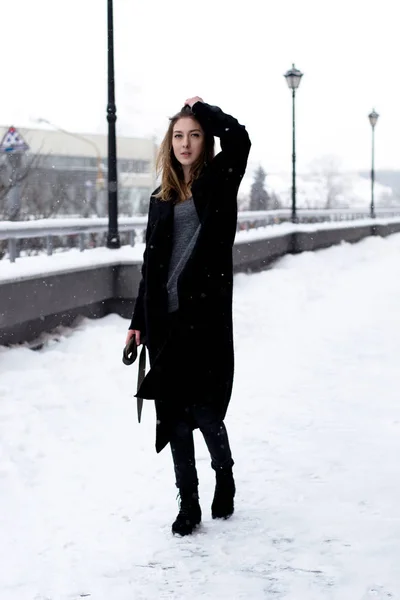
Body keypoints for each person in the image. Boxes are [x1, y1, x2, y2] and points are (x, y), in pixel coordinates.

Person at [126, 96, 251, 536]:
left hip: (206, 316)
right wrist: (137, 321)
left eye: (194, 135)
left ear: (205, 141)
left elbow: (240, 139)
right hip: (166, 320)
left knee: (203, 409)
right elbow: (150, 264)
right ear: (169, 143)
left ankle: (225, 473)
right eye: (178, 136)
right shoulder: (161, 197)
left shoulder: (220, 180)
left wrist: (204, 109)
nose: (185, 143)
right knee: (173, 415)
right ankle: (189, 503)